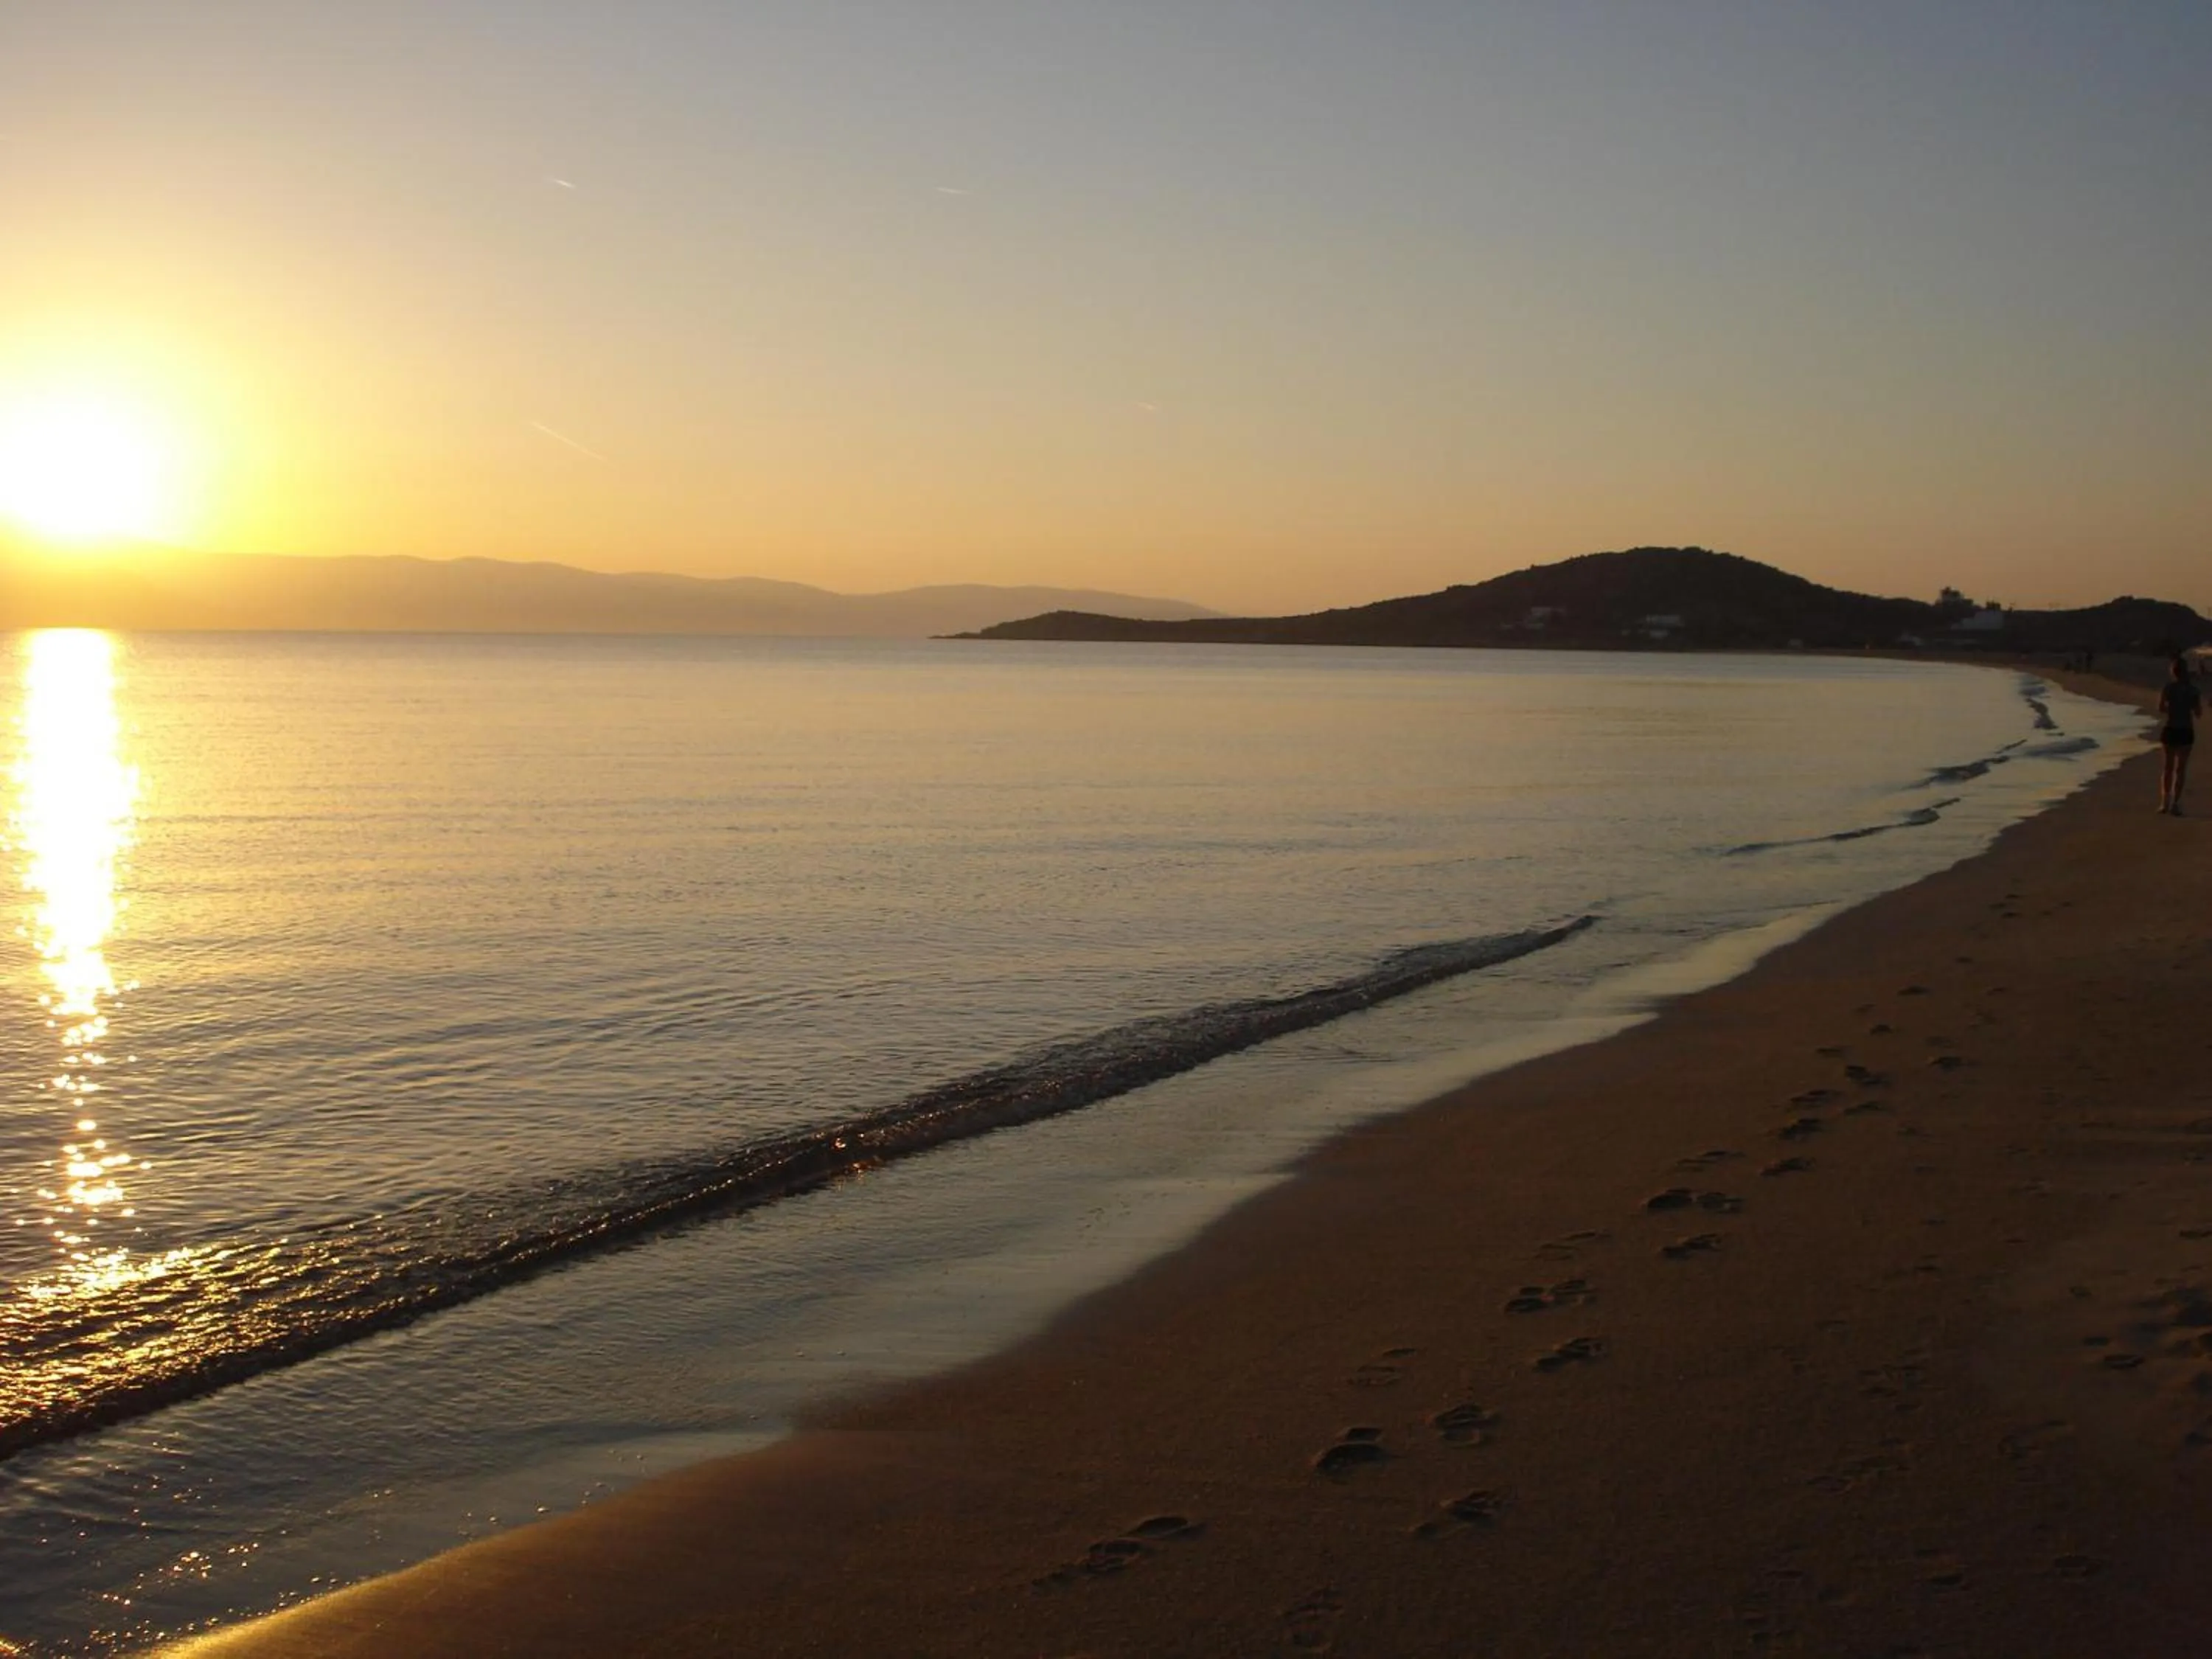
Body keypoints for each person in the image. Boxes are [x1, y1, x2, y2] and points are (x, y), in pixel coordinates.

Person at [2157, 654, 2201, 815]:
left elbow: (2161, 708)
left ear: (2173, 671)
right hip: (2186, 730)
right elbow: (2198, 713)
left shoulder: (2168, 688)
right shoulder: (2193, 690)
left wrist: (2173, 709)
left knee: (2167, 768)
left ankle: (2164, 802)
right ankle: (2176, 803)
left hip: (2170, 729)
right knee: (2181, 769)